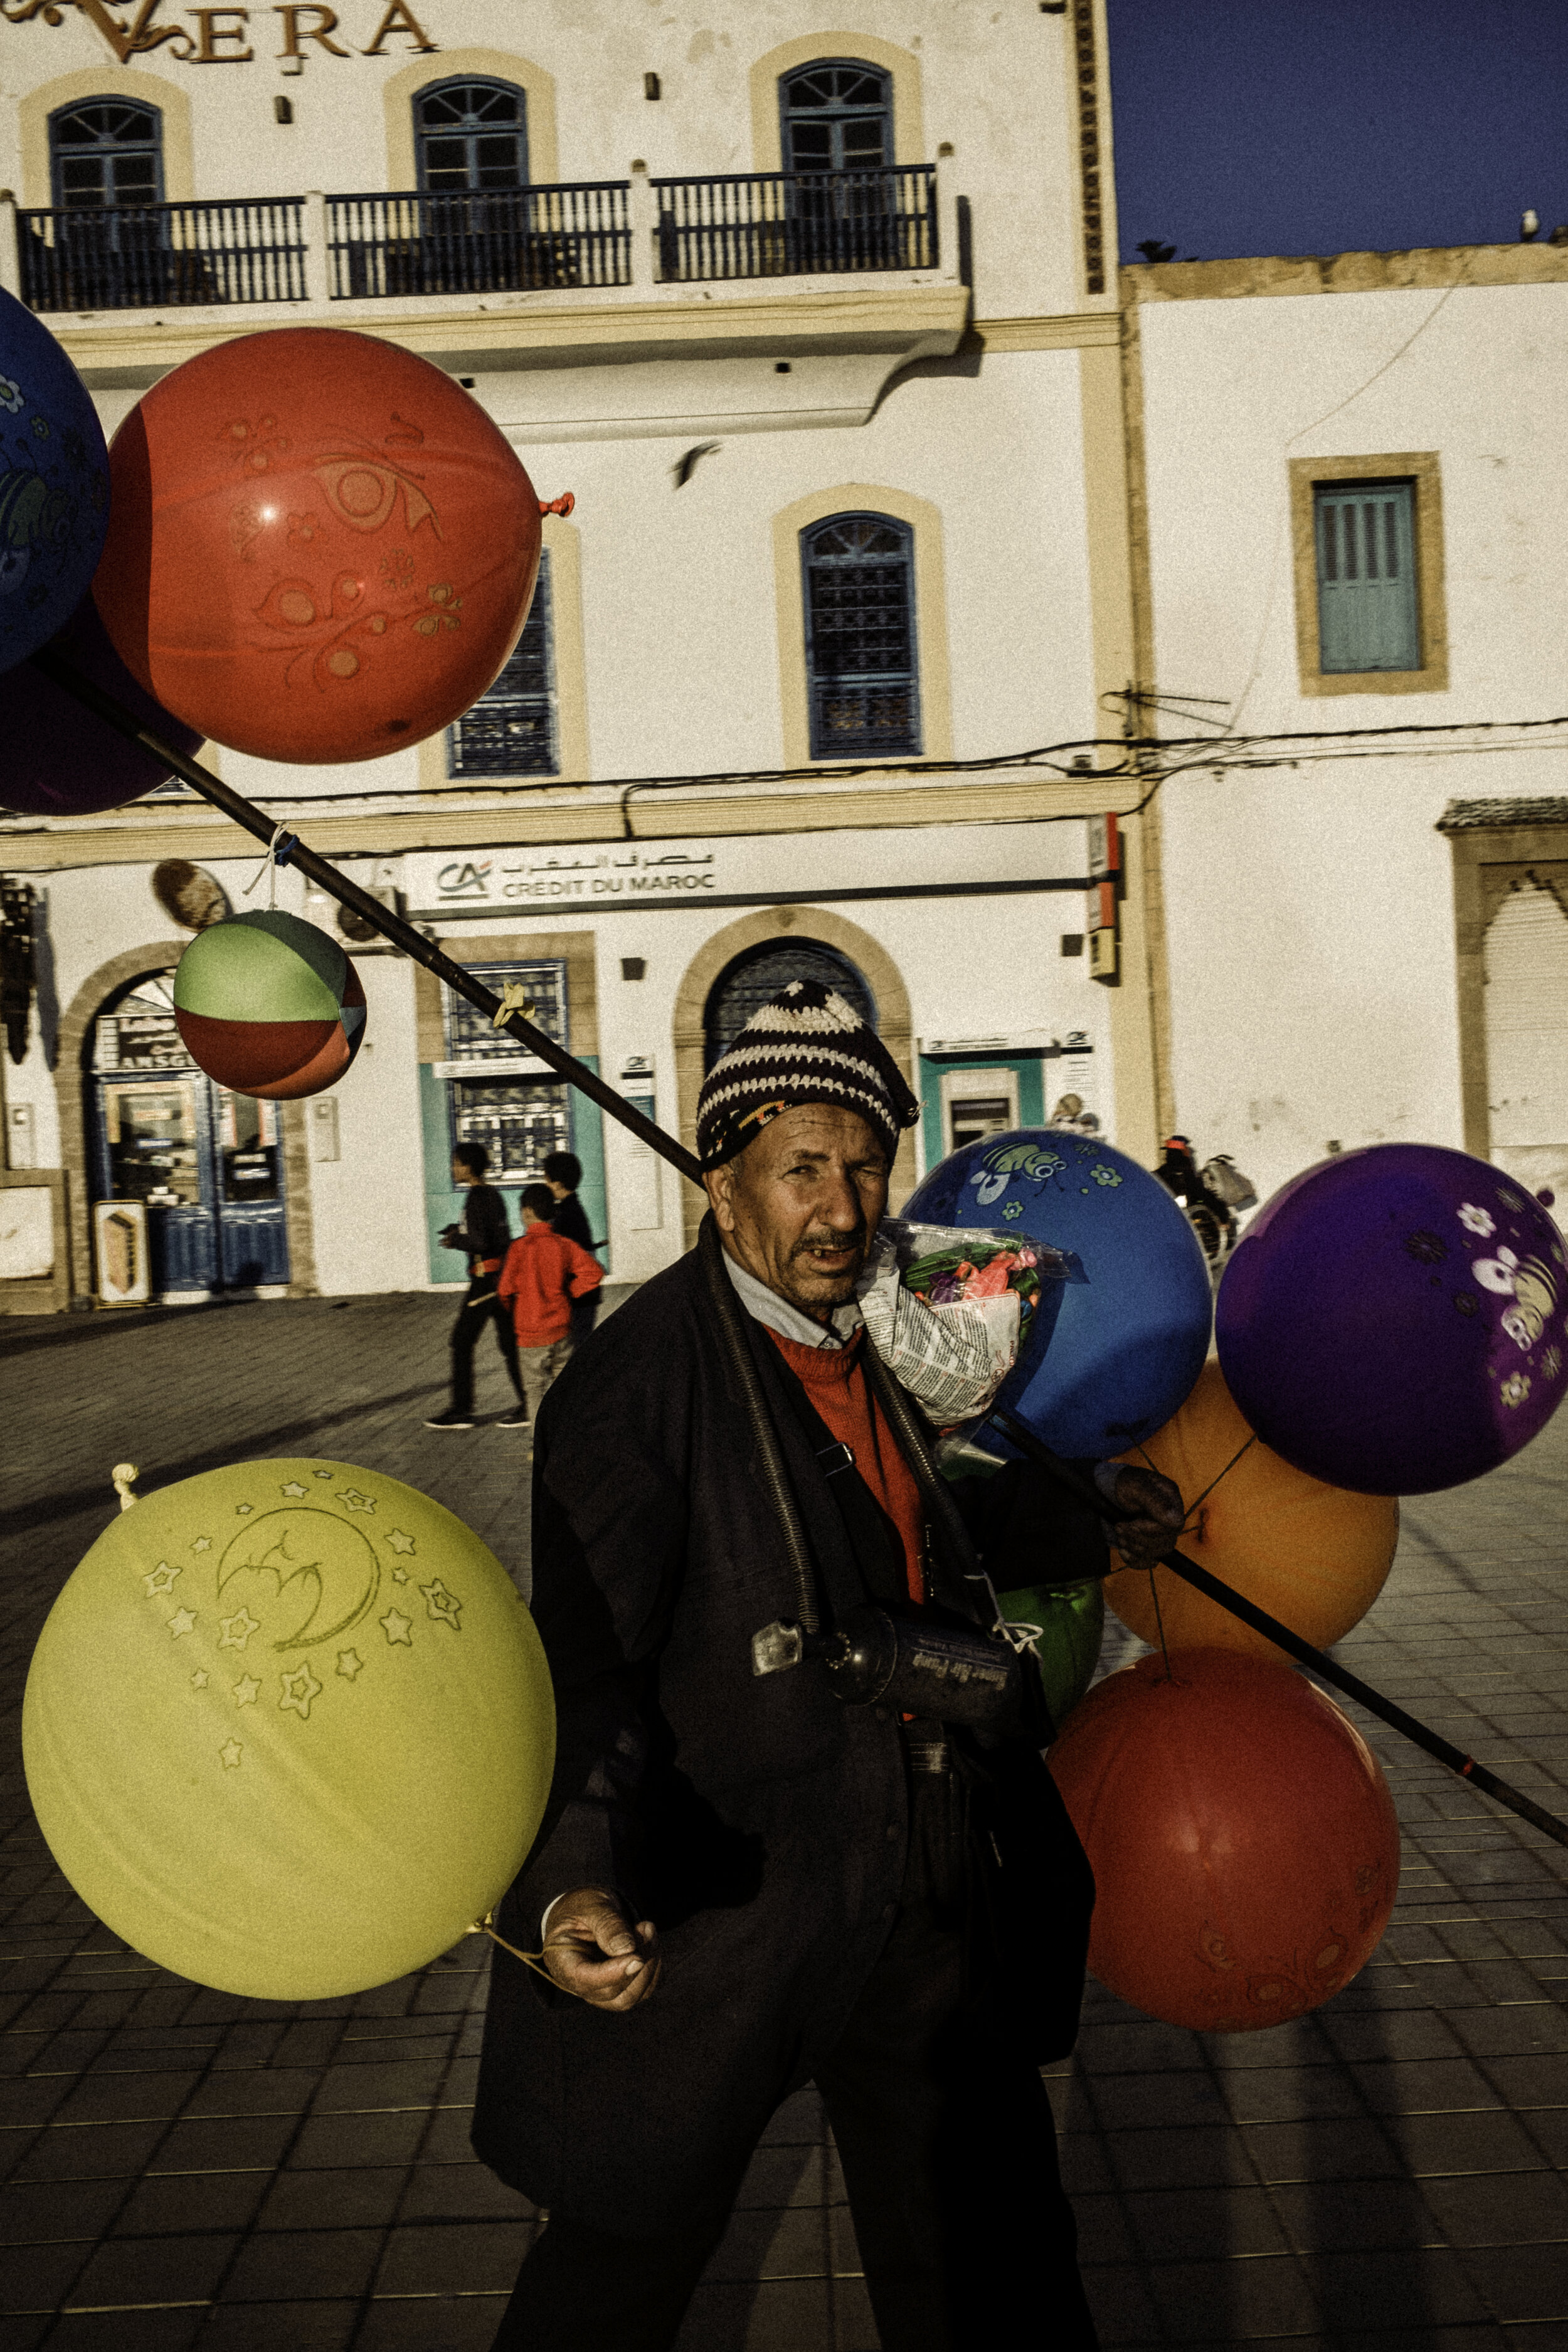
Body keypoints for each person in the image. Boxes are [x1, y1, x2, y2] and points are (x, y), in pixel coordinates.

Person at [472, 980, 1184, 2351]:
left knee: (994, 2272)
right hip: (725, 1893)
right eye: (801, 1167)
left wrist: (1081, 1517)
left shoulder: (879, 1333)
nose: (845, 1208)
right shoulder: (634, 1392)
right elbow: (587, 1668)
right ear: (722, 1181)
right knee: (620, 2269)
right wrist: (576, 1872)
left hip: (915, 1882)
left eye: (865, 1166)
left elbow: (903, 1528)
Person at [425, 1143, 527, 1432]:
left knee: (461, 1341)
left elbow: (482, 1242)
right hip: (500, 1281)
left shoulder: (477, 1198)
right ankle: (529, 1403)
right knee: (509, 1343)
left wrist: (456, 1240)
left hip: (485, 1284)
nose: (452, 1168)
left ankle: (462, 1410)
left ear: (469, 1167)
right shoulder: (491, 1195)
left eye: (456, 1163)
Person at [497, 1181, 605, 1424]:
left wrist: (515, 1308)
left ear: (526, 1212)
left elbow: (504, 1290)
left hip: (529, 1334)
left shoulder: (518, 1249)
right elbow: (593, 1272)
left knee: (535, 1389)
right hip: (561, 1329)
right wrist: (570, 1292)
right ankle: (565, 1438)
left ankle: (541, 1445)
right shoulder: (564, 1245)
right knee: (563, 1388)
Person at [542, 1148, 603, 1347]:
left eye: (546, 1178)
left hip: (578, 1296)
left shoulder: (565, 1217)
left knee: (576, 1351)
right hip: (585, 1294)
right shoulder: (571, 1209)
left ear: (557, 1184)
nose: (545, 1183)